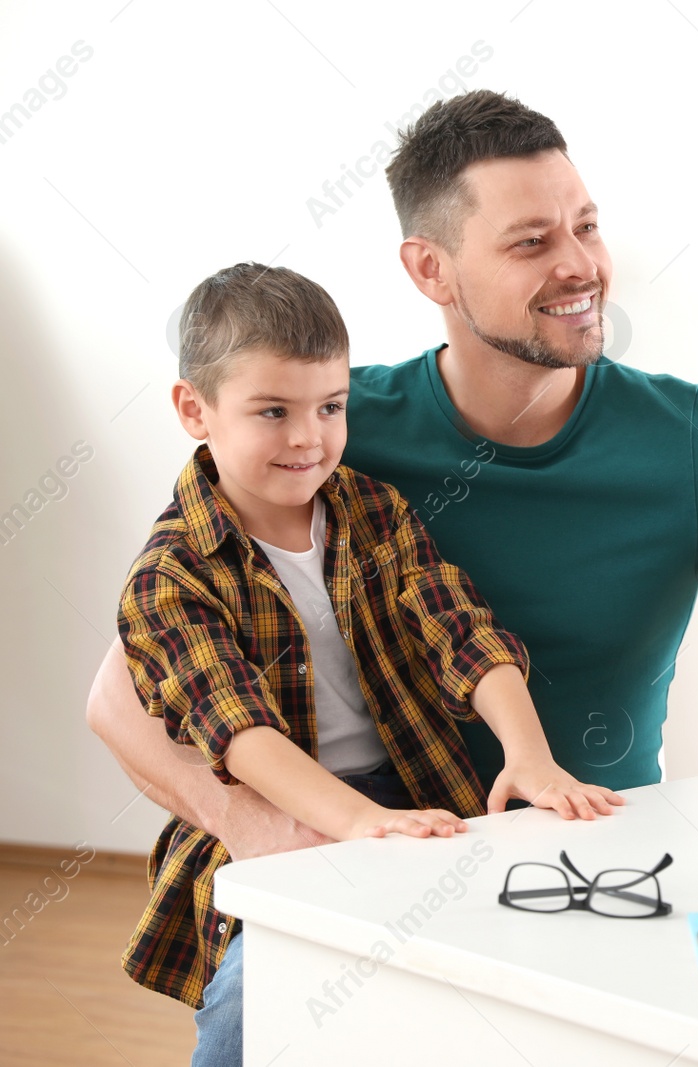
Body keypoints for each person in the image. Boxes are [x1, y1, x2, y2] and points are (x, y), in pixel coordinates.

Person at [119, 262, 624, 1062]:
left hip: (413, 791)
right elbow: (235, 728)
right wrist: (354, 822)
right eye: (272, 411)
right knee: (262, 987)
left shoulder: (372, 510)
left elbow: (462, 632)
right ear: (195, 409)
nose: (307, 437)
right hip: (275, 809)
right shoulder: (169, 576)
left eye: (329, 407)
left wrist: (531, 756)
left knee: (507, 961)